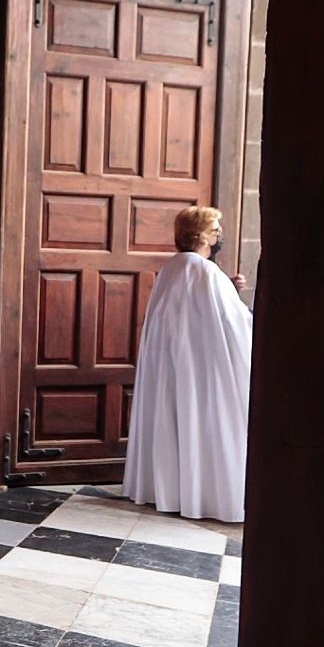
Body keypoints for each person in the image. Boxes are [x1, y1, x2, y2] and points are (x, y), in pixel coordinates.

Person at [123, 205, 253, 522]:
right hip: (202, 370)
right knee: (205, 418)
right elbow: (234, 323)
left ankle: (169, 490)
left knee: (173, 418)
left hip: (175, 366)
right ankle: (207, 494)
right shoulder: (205, 271)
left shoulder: (173, 268)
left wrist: (228, 290)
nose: (219, 236)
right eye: (216, 230)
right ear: (203, 235)